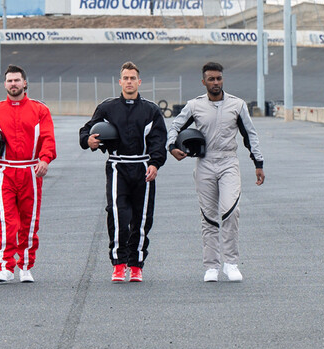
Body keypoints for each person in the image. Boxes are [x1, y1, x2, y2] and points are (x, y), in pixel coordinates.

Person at [167, 62, 265, 283]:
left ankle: (231, 263)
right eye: (211, 79)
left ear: (223, 80)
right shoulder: (194, 106)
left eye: (219, 78)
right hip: (205, 162)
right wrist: (172, 147)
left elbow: (250, 134)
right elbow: (175, 127)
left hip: (229, 161)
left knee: (231, 211)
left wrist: (258, 163)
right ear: (204, 82)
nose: (216, 82)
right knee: (208, 216)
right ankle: (211, 266)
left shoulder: (237, 105)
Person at [0, 65, 56, 284]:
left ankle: (26, 266)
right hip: (4, 171)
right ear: (5, 84)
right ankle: (6, 266)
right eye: (9, 81)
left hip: (30, 171)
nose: (13, 84)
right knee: (5, 220)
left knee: (29, 221)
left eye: (17, 80)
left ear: (25, 83)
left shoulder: (39, 109)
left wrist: (45, 159)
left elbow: (48, 138)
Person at [79, 61, 167, 283]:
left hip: (143, 166)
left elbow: (159, 140)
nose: (129, 82)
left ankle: (136, 265)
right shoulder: (107, 108)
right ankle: (119, 264)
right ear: (120, 82)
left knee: (142, 217)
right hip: (117, 166)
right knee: (118, 215)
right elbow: (87, 130)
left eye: (132, 78)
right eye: (125, 78)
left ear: (139, 81)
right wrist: (87, 141)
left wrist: (155, 163)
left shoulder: (151, 110)